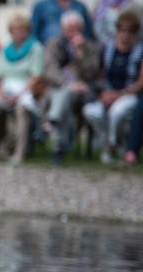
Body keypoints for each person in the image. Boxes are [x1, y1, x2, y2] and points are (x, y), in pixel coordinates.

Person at [0, 14, 44, 165]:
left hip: (25, 88)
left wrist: (19, 94)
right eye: (15, 30)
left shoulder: (35, 48)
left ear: (27, 31)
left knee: (21, 110)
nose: (18, 33)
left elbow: (36, 76)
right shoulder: (5, 50)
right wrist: (0, 92)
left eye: (21, 29)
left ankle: (19, 153)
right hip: (5, 88)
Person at [82, 11, 143, 165]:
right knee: (90, 111)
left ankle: (115, 145)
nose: (125, 35)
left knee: (117, 112)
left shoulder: (139, 51)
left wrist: (120, 94)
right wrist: (103, 93)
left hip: (128, 94)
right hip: (108, 92)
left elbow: (140, 82)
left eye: (130, 31)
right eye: (122, 30)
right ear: (117, 31)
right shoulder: (107, 49)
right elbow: (99, 76)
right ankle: (108, 143)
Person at [40, 10, 100, 164]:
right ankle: (58, 142)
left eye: (77, 27)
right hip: (57, 88)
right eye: (70, 27)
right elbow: (49, 69)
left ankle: (52, 124)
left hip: (82, 91)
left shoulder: (91, 46)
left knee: (64, 95)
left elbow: (91, 73)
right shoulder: (54, 43)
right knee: (64, 93)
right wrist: (67, 83)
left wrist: (80, 53)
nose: (74, 31)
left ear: (83, 28)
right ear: (63, 29)